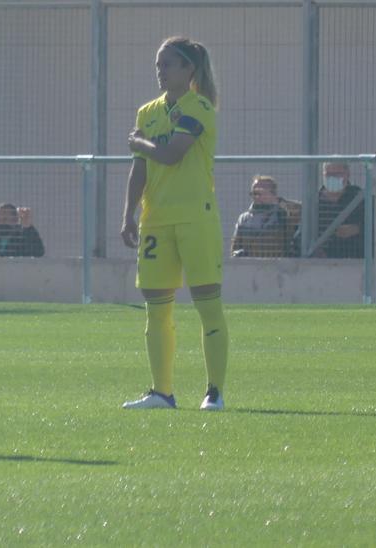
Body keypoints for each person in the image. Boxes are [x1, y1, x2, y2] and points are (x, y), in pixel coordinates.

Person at [120, 36, 229, 411]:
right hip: (156, 221)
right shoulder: (146, 112)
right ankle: (161, 392)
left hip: (195, 219)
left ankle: (214, 391)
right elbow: (141, 170)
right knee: (156, 307)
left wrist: (140, 145)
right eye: (157, 64)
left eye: (167, 64)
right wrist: (129, 214)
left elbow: (170, 154)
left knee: (207, 304)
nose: (160, 71)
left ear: (189, 70)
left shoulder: (198, 106)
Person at [231, 175, 299, 258]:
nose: (255, 196)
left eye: (259, 193)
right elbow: (235, 247)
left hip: (276, 267)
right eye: (253, 193)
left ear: (272, 194)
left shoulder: (283, 215)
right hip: (250, 267)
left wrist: (281, 202)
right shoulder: (244, 219)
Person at [312, 162, 365, 258]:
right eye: (328, 174)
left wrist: (358, 229)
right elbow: (301, 233)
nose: (332, 177)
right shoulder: (314, 201)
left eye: (337, 174)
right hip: (321, 262)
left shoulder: (360, 198)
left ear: (347, 175)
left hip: (356, 258)